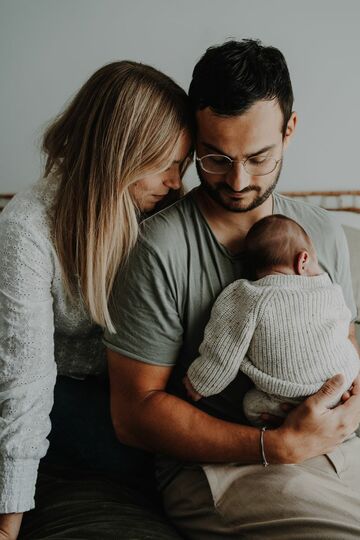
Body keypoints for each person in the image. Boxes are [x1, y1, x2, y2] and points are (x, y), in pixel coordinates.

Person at [105, 39, 360, 539]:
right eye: (215, 157)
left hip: (340, 447)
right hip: (231, 469)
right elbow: (133, 415)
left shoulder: (324, 233)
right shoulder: (158, 249)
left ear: (289, 131)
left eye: (258, 157)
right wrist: (276, 446)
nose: (238, 181)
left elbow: (344, 340)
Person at [0, 61, 192, 539]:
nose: (175, 181)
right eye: (165, 163)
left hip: (135, 393)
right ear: (121, 154)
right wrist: (8, 524)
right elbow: (25, 383)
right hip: (62, 392)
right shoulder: (27, 229)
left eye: (182, 165)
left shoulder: (164, 216)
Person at [184, 214, 360, 426]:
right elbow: (344, 330)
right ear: (302, 260)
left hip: (288, 396)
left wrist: (200, 383)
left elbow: (223, 351)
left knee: (251, 404)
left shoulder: (248, 296)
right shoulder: (331, 290)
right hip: (342, 387)